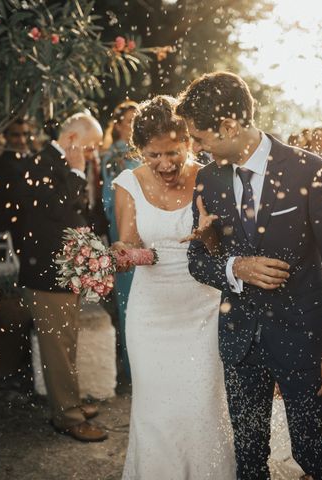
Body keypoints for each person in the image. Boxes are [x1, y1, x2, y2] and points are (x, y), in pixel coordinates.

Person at [177, 72, 322, 480]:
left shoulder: (309, 171)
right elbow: (195, 258)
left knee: (313, 452)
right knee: (248, 456)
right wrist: (234, 267)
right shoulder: (208, 179)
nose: (196, 148)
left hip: (302, 338)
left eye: (200, 136)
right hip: (240, 340)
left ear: (228, 126)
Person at [112, 96, 236, 478]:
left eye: (172, 152)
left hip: (202, 309)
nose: (164, 164)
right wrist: (119, 253)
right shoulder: (127, 183)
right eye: (152, 155)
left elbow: (225, 250)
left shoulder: (211, 177)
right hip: (151, 315)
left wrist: (208, 236)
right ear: (139, 150)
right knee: (155, 407)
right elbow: (129, 241)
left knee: (202, 403)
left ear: (188, 142)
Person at [14, 113, 107, 442]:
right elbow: (58, 209)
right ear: (72, 140)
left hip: (62, 271)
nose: (93, 152)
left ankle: (72, 403)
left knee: (67, 343)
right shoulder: (41, 163)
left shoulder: (58, 164)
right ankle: (67, 417)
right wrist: (77, 171)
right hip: (47, 274)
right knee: (58, 347)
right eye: (91, 145)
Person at [100, 101, 140, 386]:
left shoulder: (143, 154)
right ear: (118, 125)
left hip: (147, 235)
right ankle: (133, 368)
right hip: (124, 233)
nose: (133, 126)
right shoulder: (115, 158)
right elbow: (108, 201)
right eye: (129, 121)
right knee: (130, 305)